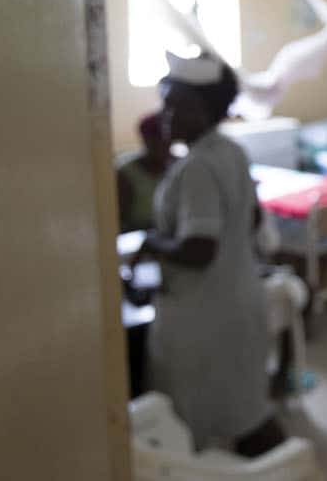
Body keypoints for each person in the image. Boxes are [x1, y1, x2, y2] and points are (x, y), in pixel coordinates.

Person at [133, 52, 284, 457]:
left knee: (193, 424)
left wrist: (152, 244)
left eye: (172, 104)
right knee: (246, 412)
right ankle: (287, 467)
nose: (163, 114)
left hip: (203, 317)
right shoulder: (233, 153)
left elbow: (199, 249)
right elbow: (251, 221)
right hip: (239, 299)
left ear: (201, 110)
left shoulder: (197, 167)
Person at [116, 113, 173, 233]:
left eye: (167, 141)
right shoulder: (126, 172)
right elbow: (119, 219)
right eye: (156, 141)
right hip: (138, 233)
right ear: (145, 140)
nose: (163, 146)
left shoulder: (180, 165)